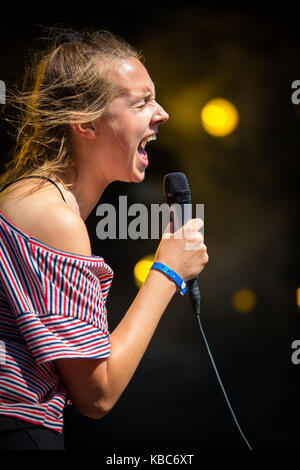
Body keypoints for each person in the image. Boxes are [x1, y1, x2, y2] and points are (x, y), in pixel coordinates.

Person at [0, 27, 208, 450]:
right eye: (142, 102)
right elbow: (98, 394)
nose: (162, 113)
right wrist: (167, 271)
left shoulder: (34, 200)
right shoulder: (52, 216)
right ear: (84, 122)